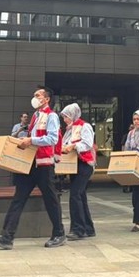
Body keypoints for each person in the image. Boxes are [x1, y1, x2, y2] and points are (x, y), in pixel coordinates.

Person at [0, 86, 66, 250]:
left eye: (38, 95)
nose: (34, 97)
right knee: (18, 199)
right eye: (34, 95)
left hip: (44, 165)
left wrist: (31, 141)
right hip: (30, 163)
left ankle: (59, 233)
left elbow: (52, 138)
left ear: (46, 99)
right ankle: (6, 237)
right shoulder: (35, 117)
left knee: (51, 200)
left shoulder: (51, 116)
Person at [60, 103, 96, 240]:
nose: (65, 120)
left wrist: (73, 146)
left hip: (84, 164)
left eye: (66, 117)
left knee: (75, 195)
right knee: (80, 196)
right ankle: (88, 228)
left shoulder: (84, 126)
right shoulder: (70, 129)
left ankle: (78, 229)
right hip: (74, 165)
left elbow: (87, 144)